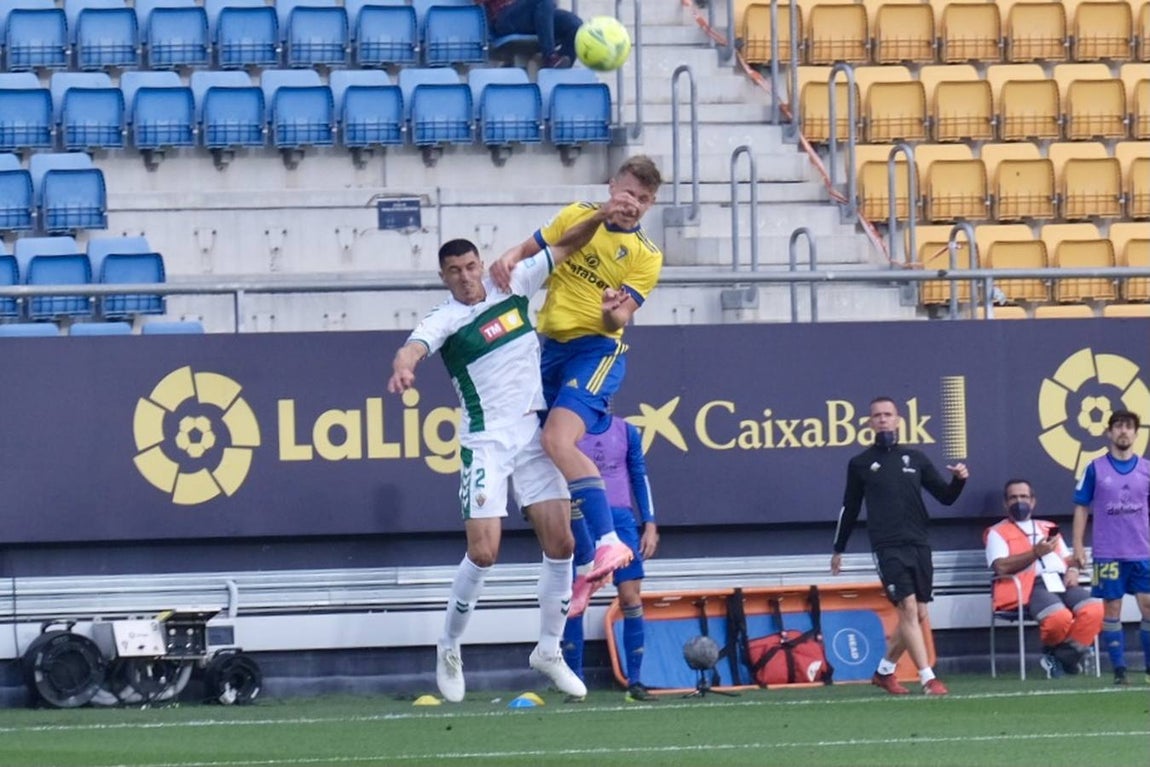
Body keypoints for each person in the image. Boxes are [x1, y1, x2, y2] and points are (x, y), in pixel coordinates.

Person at [386, 203, 636, 703]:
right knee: (484, 551)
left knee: (562, 544)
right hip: (485, 442)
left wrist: (603, 217)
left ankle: (547, 649)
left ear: (481, 264)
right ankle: (450, 645)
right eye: (454, 271)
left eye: (470, 266)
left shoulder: (514, 283)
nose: (465, 277)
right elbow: (412, 347)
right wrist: (404, 366)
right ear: (443, 277)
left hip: (531, 435)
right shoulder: (446, 318)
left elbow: (569, 245)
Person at [491, 155, 663, 613]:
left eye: (643, 200)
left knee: (557, 439)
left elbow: (623, 316)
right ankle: (588, 561)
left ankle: (609, 542)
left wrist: (612, 308)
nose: (633, 205)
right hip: (548, 350)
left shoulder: (646, 255)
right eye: (628, 194)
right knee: (543, 463)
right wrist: (509, 257)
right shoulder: (577, 215)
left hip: (596, 351)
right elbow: (534, 249)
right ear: (612, 187)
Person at [830, 396, 968, 696]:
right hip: (887, 546)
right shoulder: (861, 463)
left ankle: (884, 672)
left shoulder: (915, 458)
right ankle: (928, 678)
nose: (882, 419)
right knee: (906, 608)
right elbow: (849, 508)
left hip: (918, 542)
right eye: (877, 415)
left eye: (888, 414)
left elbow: (946, 496)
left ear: (898, 419)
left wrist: (958, 480)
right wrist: (838, 548)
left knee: (917, 615)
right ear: (870, 422)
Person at [561, 412, 659, 702]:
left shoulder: (626, 431)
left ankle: (636, 682)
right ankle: (575, 683)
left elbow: (639, 476)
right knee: (577, 600)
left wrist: (650, 523)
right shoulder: (567, 430)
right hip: (583, 521)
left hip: (622, 523)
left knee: (630, 598)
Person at [985, 479, 1103, 677]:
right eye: (1013, 498)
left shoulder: (1048, 527)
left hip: (1061, 581)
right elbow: (1001, 566)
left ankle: (1060, 658)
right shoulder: (997, 532)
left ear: (1033, 501)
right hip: (1030, 585)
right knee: (1059, 617)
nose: (1019, 501)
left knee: (1095, 609)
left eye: (1023, 497)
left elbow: (1068, 559)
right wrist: (1035, 553)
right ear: (1005, 504)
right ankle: (1066, 660)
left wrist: (1073, 570)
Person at [1071, 409, 1150, 686]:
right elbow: (1081, 507)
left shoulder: (1147, 469)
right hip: (1107, 553)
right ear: (1108, 433)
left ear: (1136, 434)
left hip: (1143, 552)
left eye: (1129, 426)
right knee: (1112, 609)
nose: (1123, 431)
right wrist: (1078, 545)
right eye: (1118, 426)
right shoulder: (1094, 468)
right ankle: (1119, 671)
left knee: (1148, 606)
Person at [477, 0, 582, 68]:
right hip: (505, 18)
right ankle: (550, 57)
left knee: (575, 25)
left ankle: (561, 64)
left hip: (534, 12)